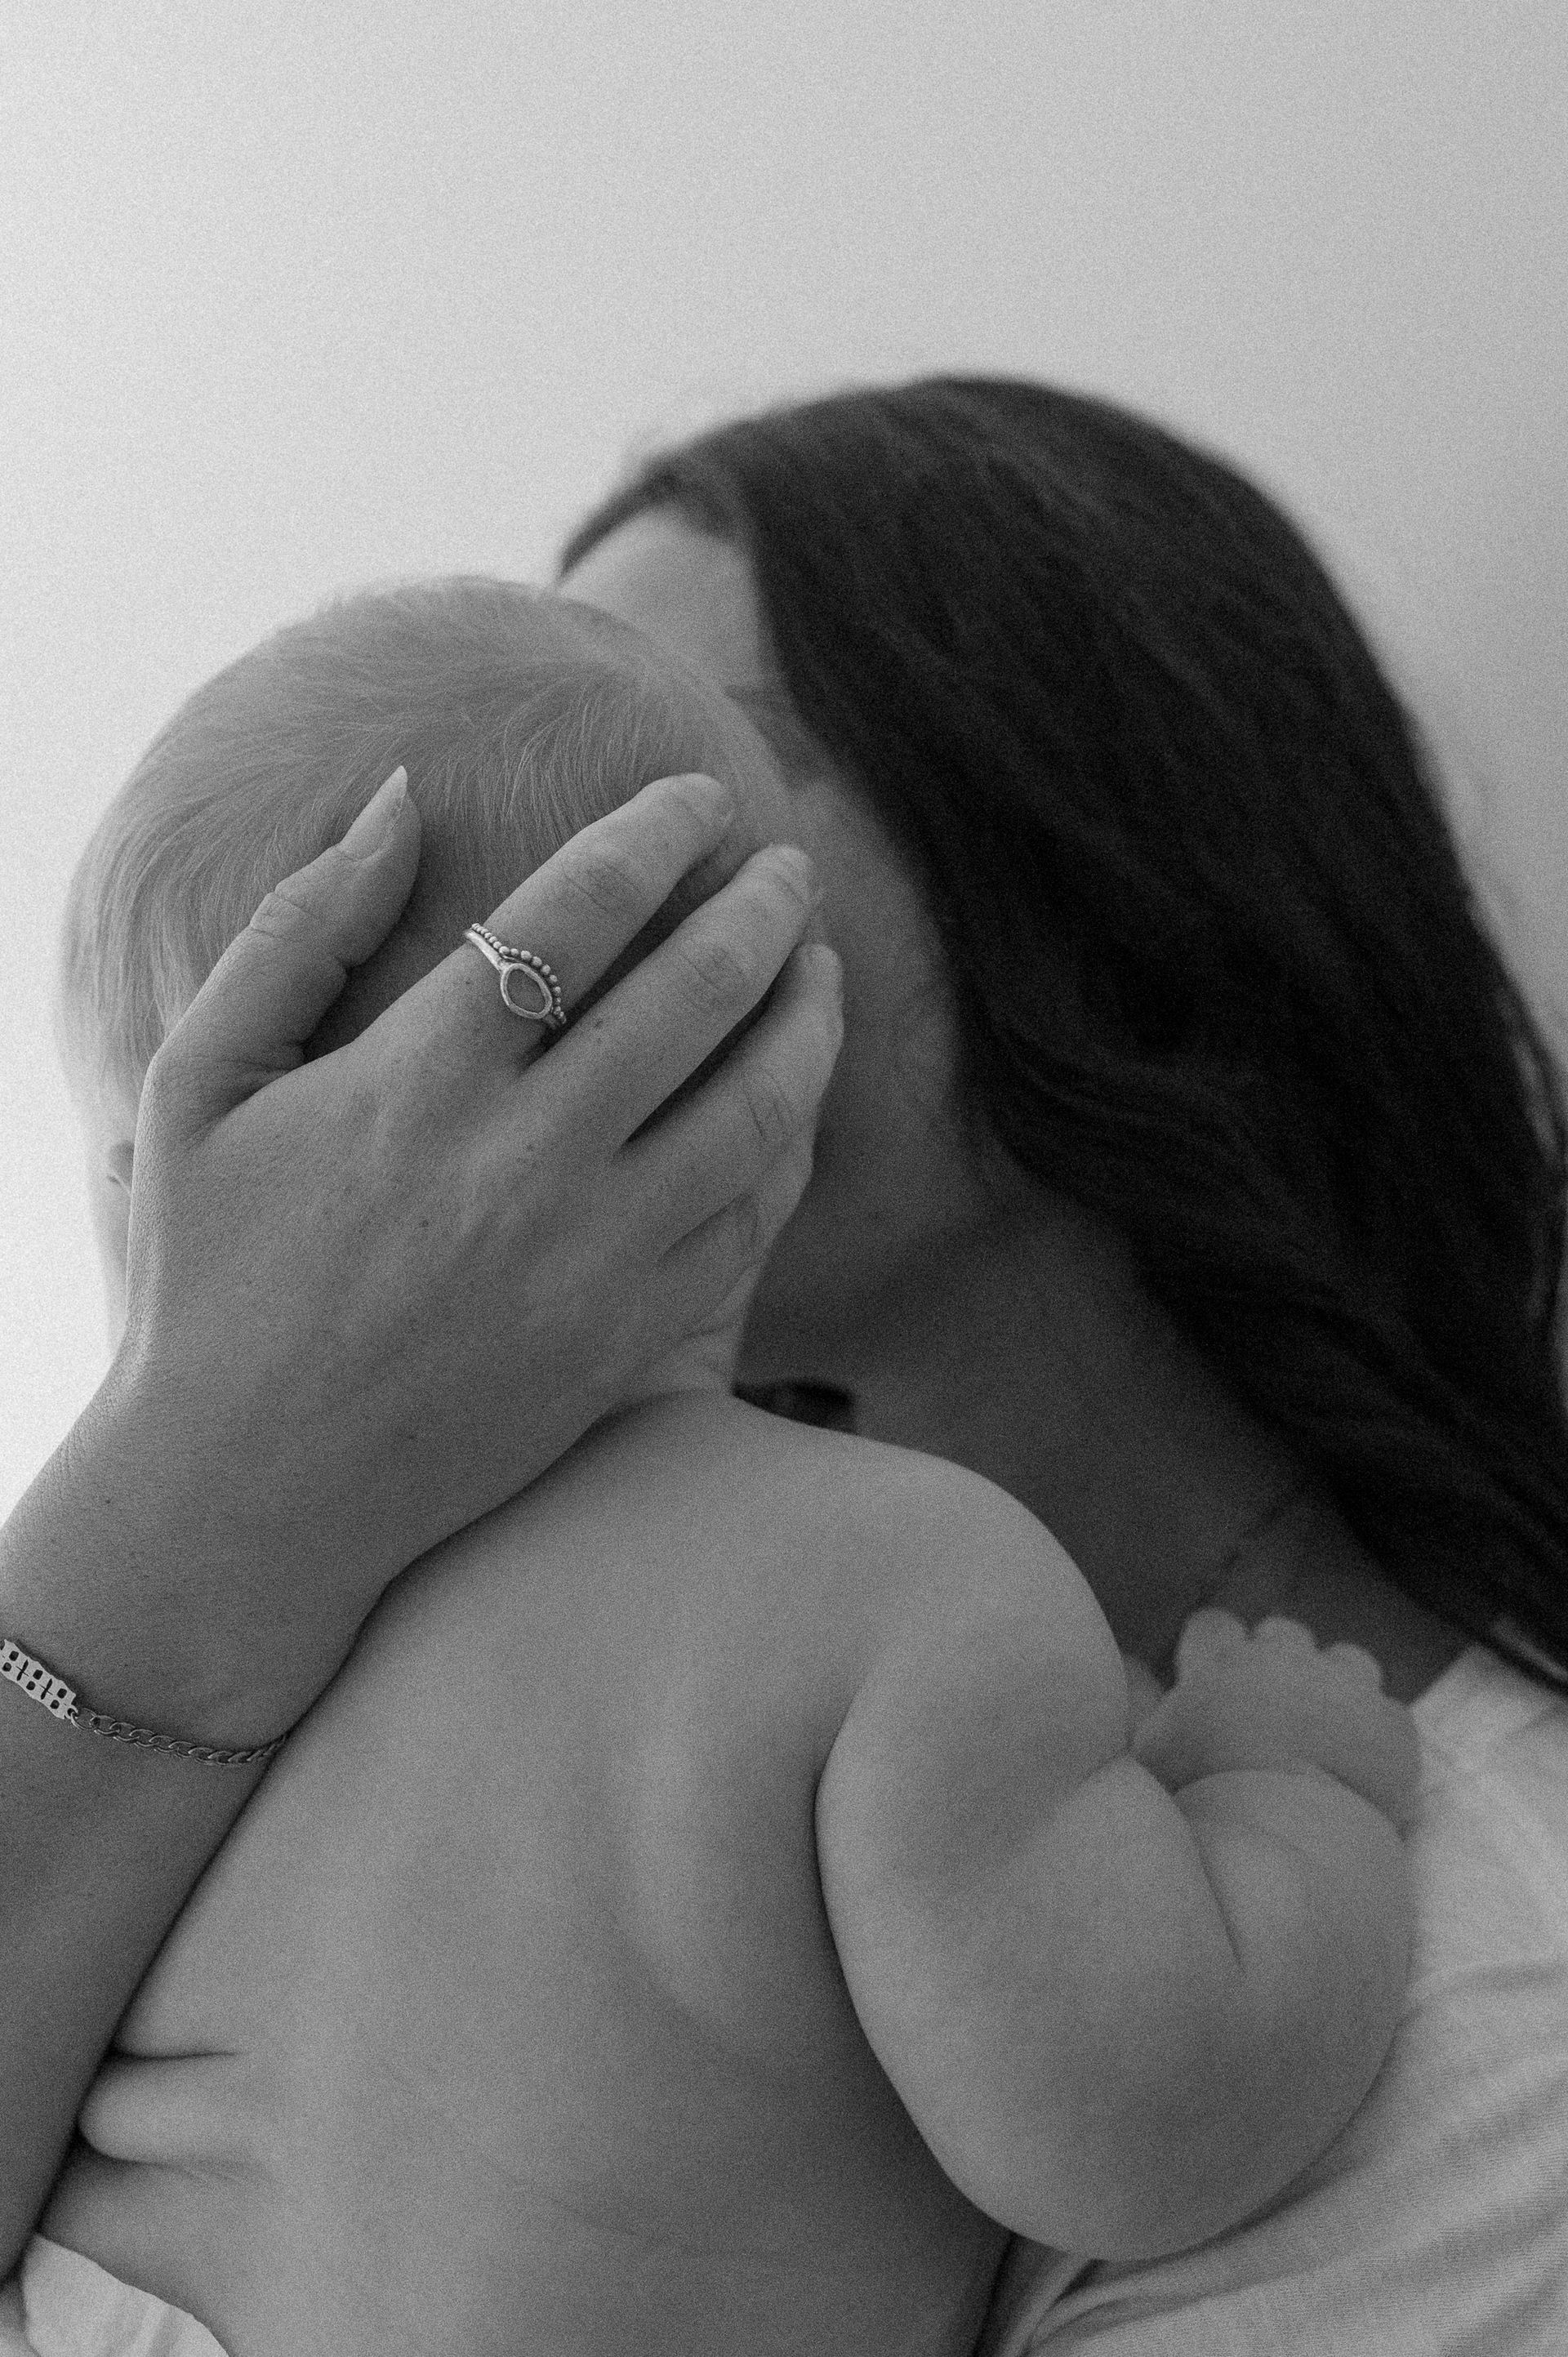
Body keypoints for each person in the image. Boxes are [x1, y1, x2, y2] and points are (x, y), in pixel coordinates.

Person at [13, 577, 1416, 2355]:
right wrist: (1301, 1795)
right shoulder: (892, 1583)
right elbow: (1145, 2111)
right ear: (764, 1087)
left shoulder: (176, 1722)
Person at [555, 374, 1568, 2350]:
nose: (538, 927)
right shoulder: (602, 1756)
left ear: (1107, 878)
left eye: (673, 791)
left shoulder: (1485, 2000)